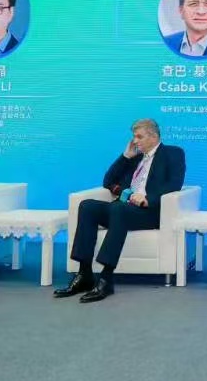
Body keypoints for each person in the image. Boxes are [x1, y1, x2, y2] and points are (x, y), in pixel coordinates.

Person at [55, 119, 186, 303]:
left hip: (148, 212)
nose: (135, 141)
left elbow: (174, 184)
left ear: (154, 137)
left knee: (118, 209)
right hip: (123, 209)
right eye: (134, 137)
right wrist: (126, 156)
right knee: (87, 206)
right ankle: (84, 274)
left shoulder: (173, 153)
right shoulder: (135, 157)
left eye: (139, 137)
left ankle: (106, 278)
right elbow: (108, 181)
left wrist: (148, 199)